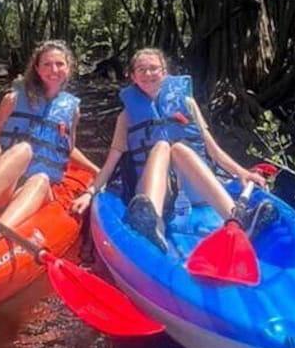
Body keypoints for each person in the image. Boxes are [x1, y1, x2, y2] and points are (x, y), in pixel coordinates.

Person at [70, 48, 272, 253]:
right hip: (150, 194)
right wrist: (90, 192)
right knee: (162, 145)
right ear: (133, 76)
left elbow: (214, 151)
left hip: (190, 191)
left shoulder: (187, 104)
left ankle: (237, 220)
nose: (148, 74)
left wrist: (243, 173)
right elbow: (112, 160)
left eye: (153, 68)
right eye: (142, 70)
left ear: (164, 72)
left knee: (179, 149)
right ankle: (152, 223)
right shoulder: (127, 115)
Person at [0, 40, 97, 254]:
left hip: (32, 190)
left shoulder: (72, 110)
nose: (53, 70)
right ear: (36, 68)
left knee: (42, 178)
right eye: (46, 64)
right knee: (23, 149)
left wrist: (96, 171)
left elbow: (67, 148)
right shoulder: (13, 98)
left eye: (59, 64)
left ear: (68, 68)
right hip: (4, 183)